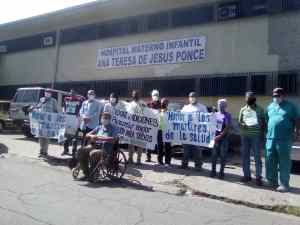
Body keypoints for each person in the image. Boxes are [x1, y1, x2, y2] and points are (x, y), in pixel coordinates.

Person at [265, 88, 300, 192]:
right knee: (270, 159)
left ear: (283, 95)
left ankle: (284, 184)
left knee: (284, 161)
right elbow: (268, 119)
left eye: (278, 95)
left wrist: (297, 132)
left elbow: (297, 119)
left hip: (284, 139)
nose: (275, 97)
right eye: (274, 96)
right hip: (271, 138)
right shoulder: (270, 106)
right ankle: (271, 181)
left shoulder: (291, 106)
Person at [77, 112, 118, 180]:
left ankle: (94, 173)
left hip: (105, 149)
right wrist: (92, 136)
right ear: (101, 119)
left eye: (106, 118)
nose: (104, 119)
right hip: (94, 146)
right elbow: (87, 135)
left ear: (110, 119)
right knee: (80, 151)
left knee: (93, 153)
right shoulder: (99, 127)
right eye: (103, 118)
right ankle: (86, 173)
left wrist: (99, 138)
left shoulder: (113, 128)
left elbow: (113, 139)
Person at [238, 91, 265, 186]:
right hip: (245, 136)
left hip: (256, 137)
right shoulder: (242, 109)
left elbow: (264, 123)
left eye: (250, 97)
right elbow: (239, 122)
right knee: (245, 157)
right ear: (245, 99)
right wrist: (242, 124)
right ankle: (247, 176)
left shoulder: (260, 110)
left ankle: (258, 177)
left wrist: (262, 135)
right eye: (247, 98)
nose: (248, 99)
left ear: (254, 98)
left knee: (257, 157)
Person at [181, 92, 208, 170]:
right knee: (186, 150)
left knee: (197, 151)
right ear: (189, 98)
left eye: (193, 97)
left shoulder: (202, 107)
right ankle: (184, 164)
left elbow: (206, 119)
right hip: (187, 133)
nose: (192, 98)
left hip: (198, 134)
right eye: (190, 97)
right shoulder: (185, 107)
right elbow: (180, 118)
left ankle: (198, 166)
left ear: (197, 98)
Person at [210, 99, 232, 179]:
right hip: (215, 138)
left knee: (223, 156)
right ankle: (213, 171)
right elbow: (211, 125)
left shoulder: (227, 115)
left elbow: (227, 128)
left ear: (225, 106)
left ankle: (221, 172)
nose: (220, 106)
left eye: (222, 105)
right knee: (214, 156)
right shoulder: (215, 114)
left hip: (224, 138)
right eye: (219, 104)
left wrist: (220, 136)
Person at [36, 88, 58, 157]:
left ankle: (45, 151)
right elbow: (38, 107)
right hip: (41, 122)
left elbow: (56, 111)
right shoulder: (41, 99)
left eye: (49, 92)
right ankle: (41, 151)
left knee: (46, 137)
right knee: (41, 137)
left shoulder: (54, 101)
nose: (47, 93)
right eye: (46, 92)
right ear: (44, 93)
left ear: (51, 94)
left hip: (49, 123)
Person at [62, 89, 84, 155]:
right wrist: (64, 114)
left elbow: (82, 107)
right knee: (66, 136)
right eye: (71, 93)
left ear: (76, 93)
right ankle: (65, 150)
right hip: (68, 118)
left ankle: (74, 151)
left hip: (76, 119)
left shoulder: (80, 100)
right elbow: (64, 107)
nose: (72, 94)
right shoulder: (66, 99)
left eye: (74, 93)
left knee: (75, 137)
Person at [128, 90, 145, 165]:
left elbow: (147, 115)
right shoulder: (129, 104)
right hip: (131, 127)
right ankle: (130, 159)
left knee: (140, 145)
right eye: (134, 94)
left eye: (136, 94)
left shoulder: (143, 104)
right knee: (131, 145)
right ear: (132, 95)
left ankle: (138, 160)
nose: (135, 96)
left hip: (140, 128)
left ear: (139, 95)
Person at [146, 90, 161, 162]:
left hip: (159, 127)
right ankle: (148, 157)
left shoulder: (161, 104)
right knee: (149, 142)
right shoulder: (148, 104)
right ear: (152, 96)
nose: (156, 96)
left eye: (157, 95)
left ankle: (159, 159)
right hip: (150, 126)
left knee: (159, 143)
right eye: (154, 95)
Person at [158, 98, 172, 166]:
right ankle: (160, 161)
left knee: (167, 146)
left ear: (167, 104)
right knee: (160, 146)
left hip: (167, 130)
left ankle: (167, 162)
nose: (163, 104)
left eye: (165, 103)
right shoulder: (158, 111)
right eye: (162, 102)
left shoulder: (170, 112)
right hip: (160, 130)